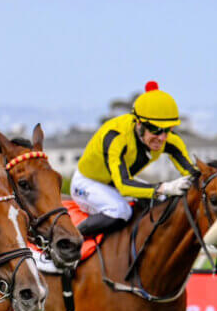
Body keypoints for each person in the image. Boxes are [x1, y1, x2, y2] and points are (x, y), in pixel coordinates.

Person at [71, 81, 197, 237]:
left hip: (116, 184)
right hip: (88, 182)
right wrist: (164, 187)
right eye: (155, 129)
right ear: (138, 123)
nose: (162, 137)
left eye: (168, 129)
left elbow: (192, 173)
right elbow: (124, 185)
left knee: (163, 203)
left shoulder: (170, 140)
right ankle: (69, 240)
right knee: (120, 211)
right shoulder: (116, 137)